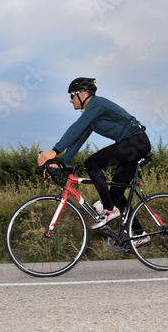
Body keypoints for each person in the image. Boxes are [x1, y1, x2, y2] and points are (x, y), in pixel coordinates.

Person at [38, 77, 152, 240]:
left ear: (82, 93)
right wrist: (61, 163)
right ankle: (141, 234)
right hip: (133, 145)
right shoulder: (92, 116)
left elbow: (75, 128)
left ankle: (109, 210)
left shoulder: (96, 104)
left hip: (135, 142)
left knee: (91, 162)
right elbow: (77, 139)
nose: (70, 101)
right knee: (116, 194)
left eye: (71, 96)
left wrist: (55, 151)